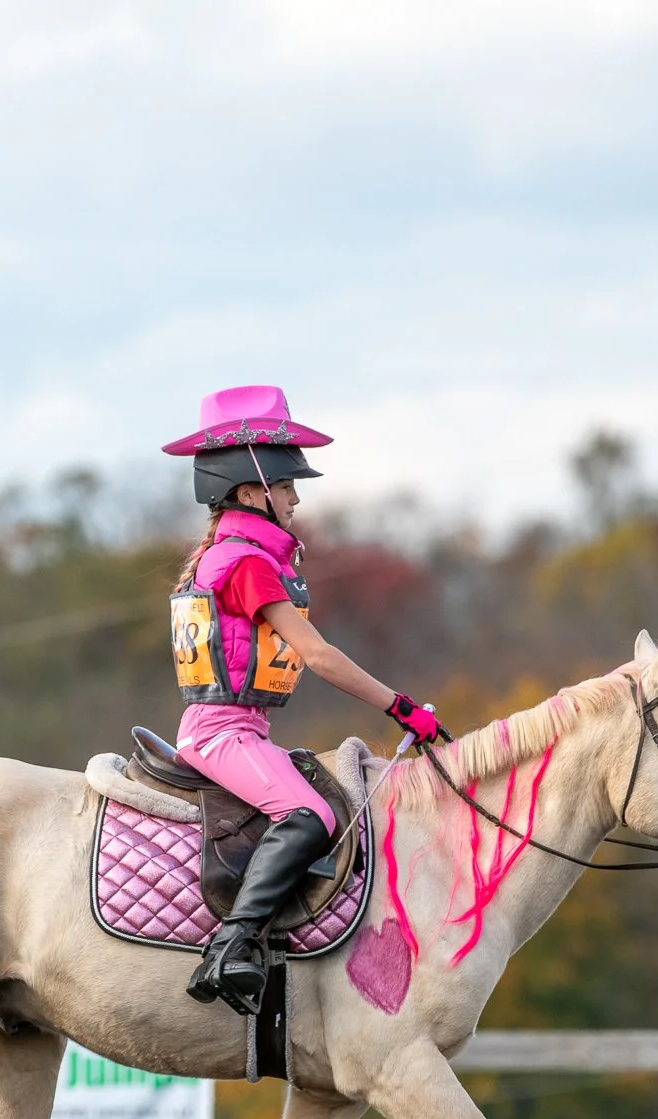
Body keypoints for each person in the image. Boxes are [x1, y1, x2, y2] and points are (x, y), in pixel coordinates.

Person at [163, 385, 447, 1016]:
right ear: (249, 491)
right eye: (288, 486)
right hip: (222, 731)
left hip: (242, 729)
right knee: (311, 815)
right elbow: (316, 654)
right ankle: (230, 946)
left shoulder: (222, 554)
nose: (296, 498)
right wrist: (401, 708)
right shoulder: (247, 565)